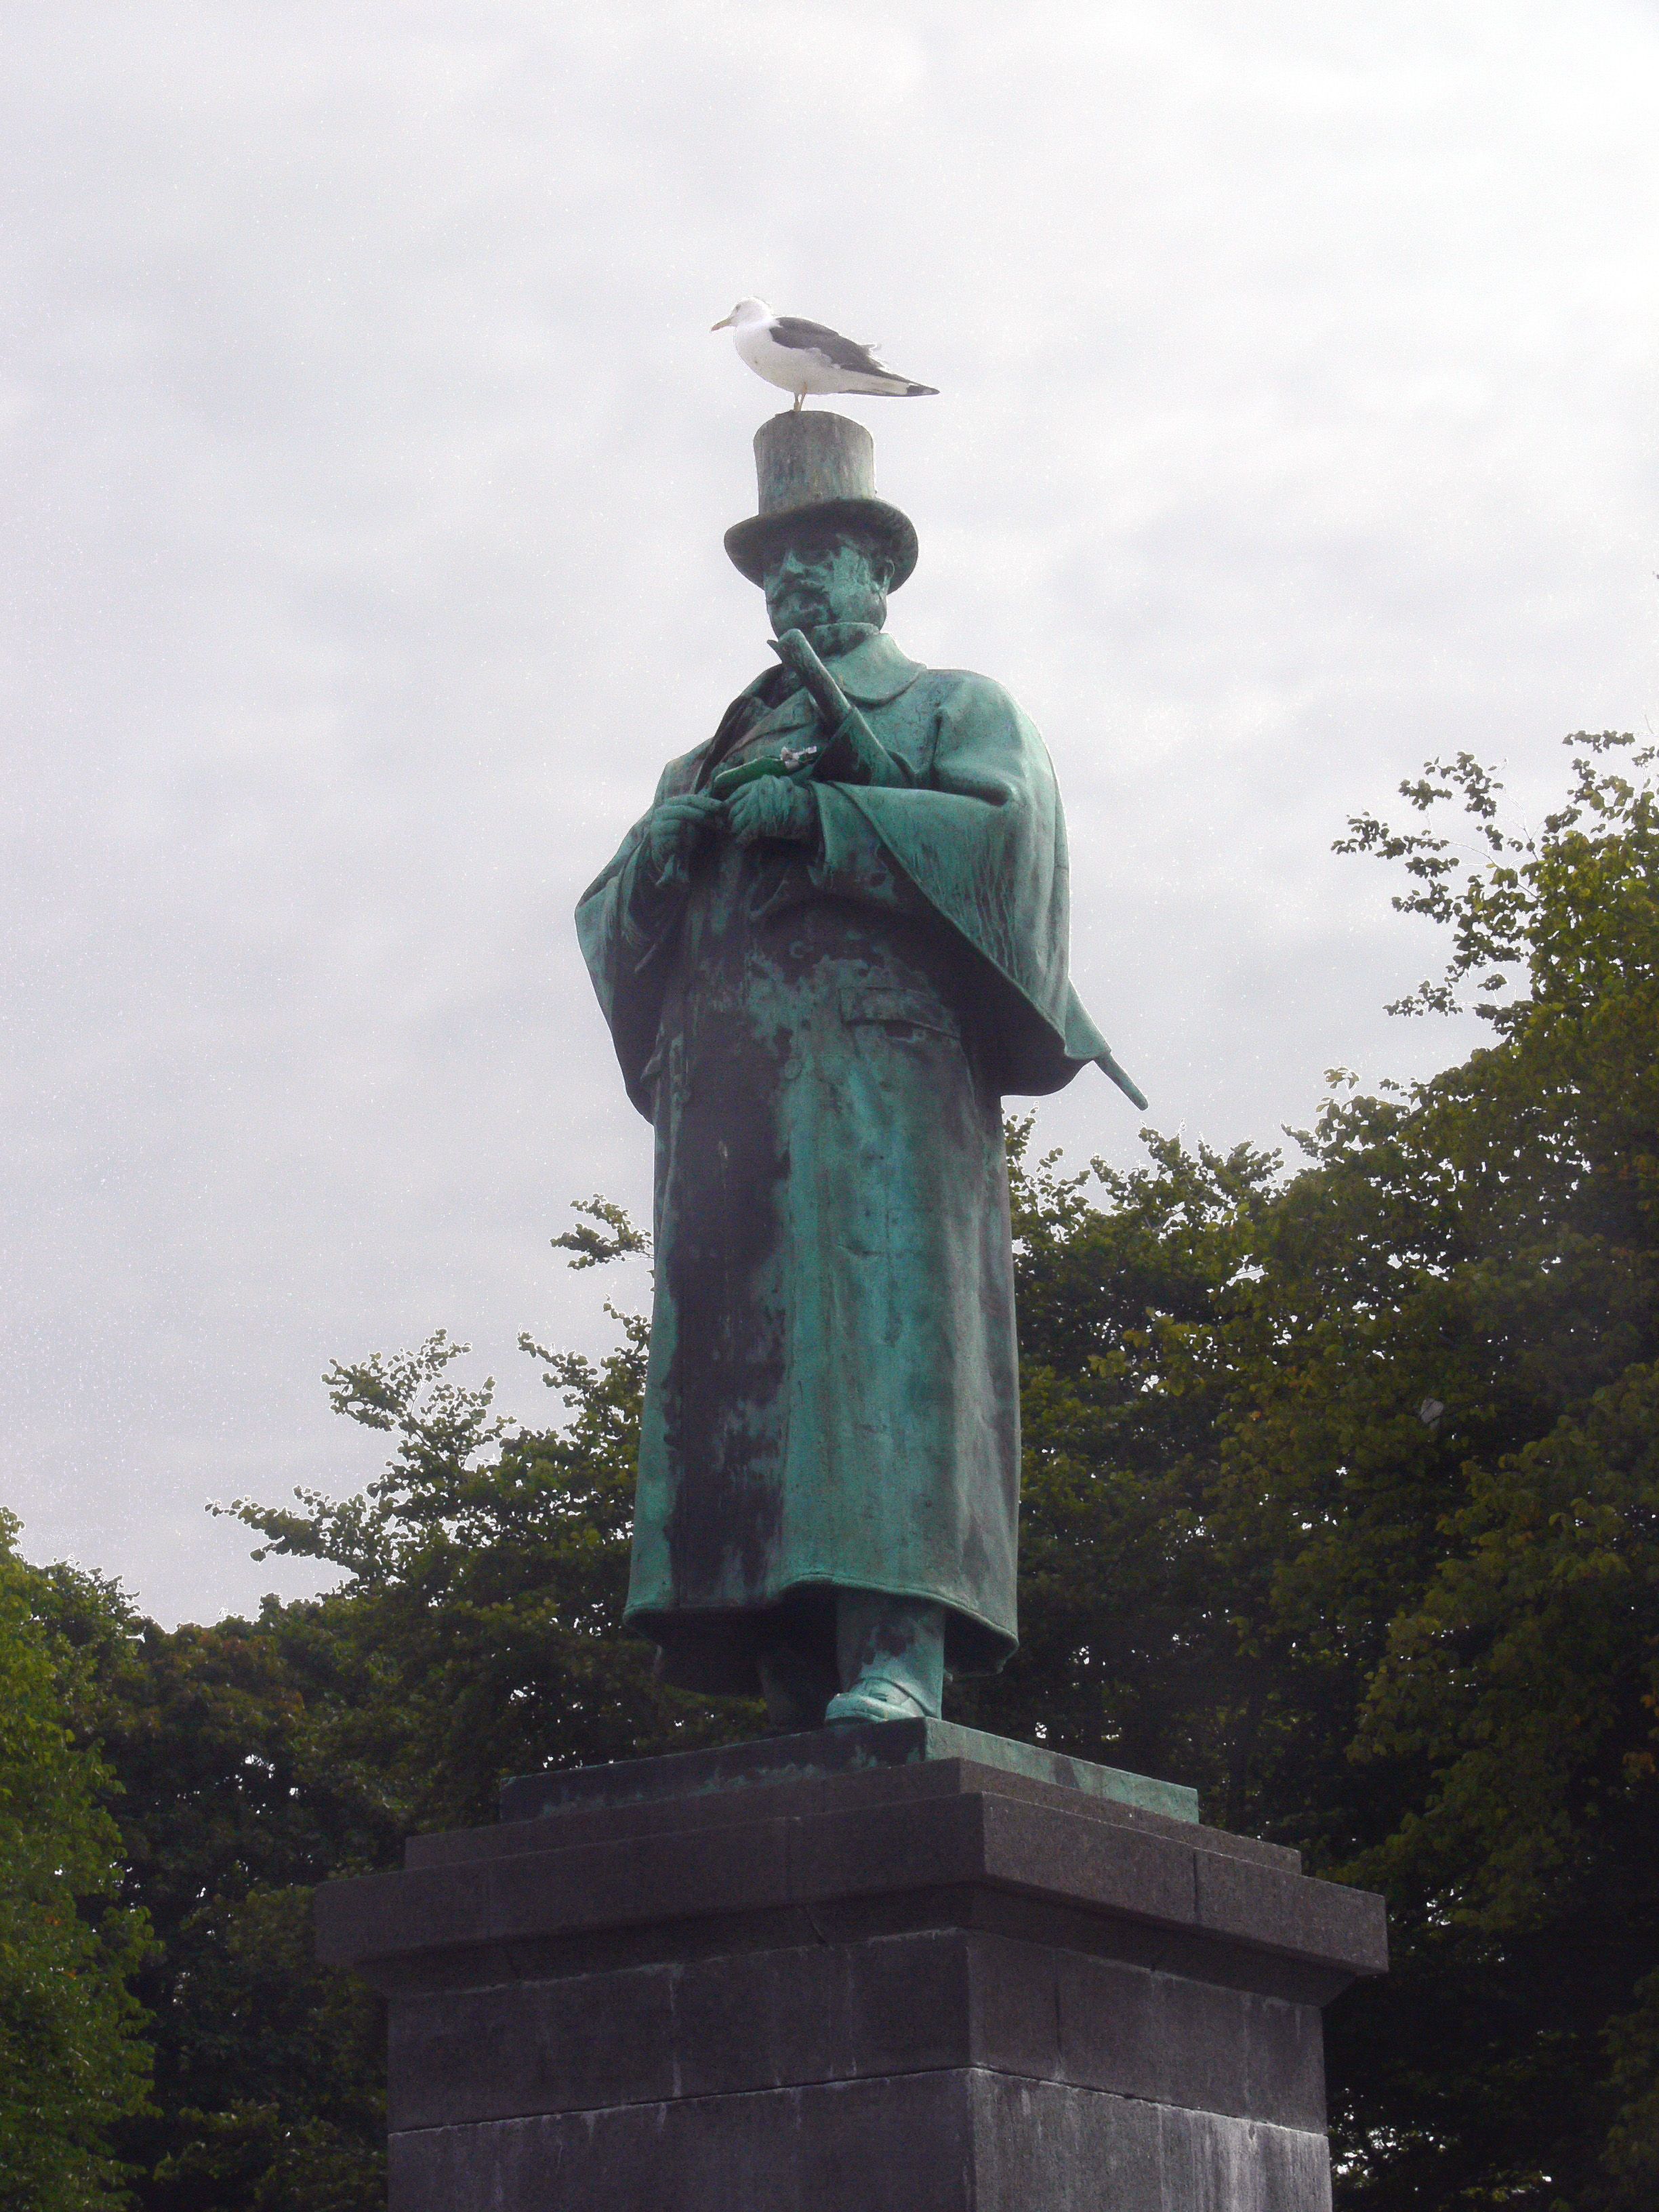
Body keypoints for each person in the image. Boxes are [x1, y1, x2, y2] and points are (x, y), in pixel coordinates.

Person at [576, 413, 1137, 1729]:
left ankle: (898, 1649)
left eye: (821, 556)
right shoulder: (702, 754)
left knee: (878, 1364)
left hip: (884, 1089)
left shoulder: (951, 707)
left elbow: (1013, 858)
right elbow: (612, 923)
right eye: (777, 565)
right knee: (735, 1374)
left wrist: (828, 815)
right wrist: (666, 854)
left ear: (880, 574)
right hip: (731, 1104)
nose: (794, 583)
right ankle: (781, 1660)